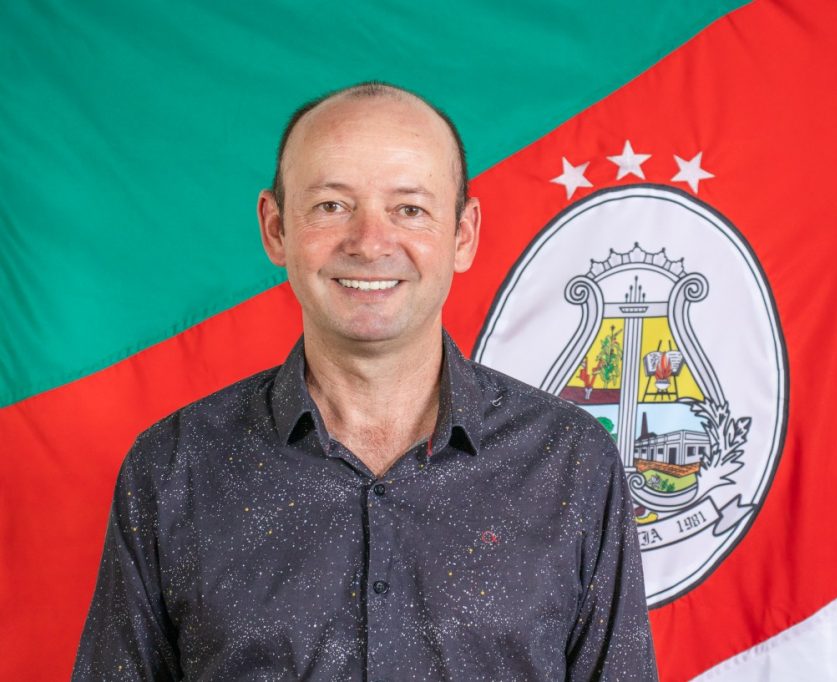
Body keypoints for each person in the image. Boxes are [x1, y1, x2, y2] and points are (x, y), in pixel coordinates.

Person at [73, 82, 657, 680]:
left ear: (463, 235)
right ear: (275, 229)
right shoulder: (173, 467)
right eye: (332, 206)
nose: (370, 243)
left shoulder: (571, 459)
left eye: (410, 209)